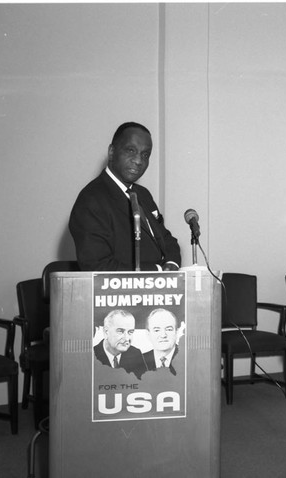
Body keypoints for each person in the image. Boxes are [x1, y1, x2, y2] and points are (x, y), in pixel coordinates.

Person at [69, 122, 181, 271]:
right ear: (111, 152)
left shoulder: (143, 194)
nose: (138, 160)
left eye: (145, 155)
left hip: (159, 289)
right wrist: (158, 271)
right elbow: (98, 267)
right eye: (130, 150)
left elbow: (166, 239)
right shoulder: (91, 200)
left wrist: (172, 263)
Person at [93, 309, 147, 379]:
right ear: (106, 332)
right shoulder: (92, 355)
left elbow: (143, 384)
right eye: (120, 331)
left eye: (130, 332)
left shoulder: (135, 354)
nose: (126, 338)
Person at [142, 308, 181, 375]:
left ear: (176, 332)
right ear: (148, 334)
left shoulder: (188, 358)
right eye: (157, 330)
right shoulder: (139, 361)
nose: (163, 335)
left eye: (169, 329)